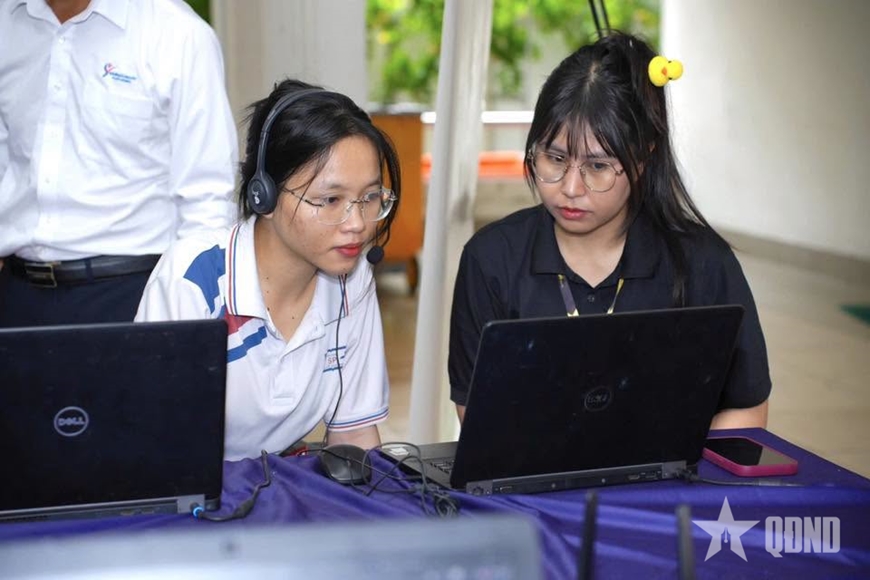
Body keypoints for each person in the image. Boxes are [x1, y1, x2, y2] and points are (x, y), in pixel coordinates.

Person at [448, 32, 771, 430]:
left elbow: (745, 407)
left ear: (644, 157)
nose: (570, 188)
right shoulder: (491, 259)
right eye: (554, 159)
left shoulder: (703, 263)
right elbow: (478, 413)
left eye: (598, 166)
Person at [135, 79, 401, 461]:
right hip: (191, 485)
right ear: (265, 195)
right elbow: (154, 450)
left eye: (370, 197)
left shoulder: (352, 279)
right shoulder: (194, 282)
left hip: (278, 480)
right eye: (331, 199)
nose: (358, 223)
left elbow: (354, 434)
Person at [0, 0, 237, 326]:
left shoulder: (177, 32)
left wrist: (189, 315)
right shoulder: (7, 22)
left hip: (131, 293)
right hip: (16, 293)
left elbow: (207, 199)